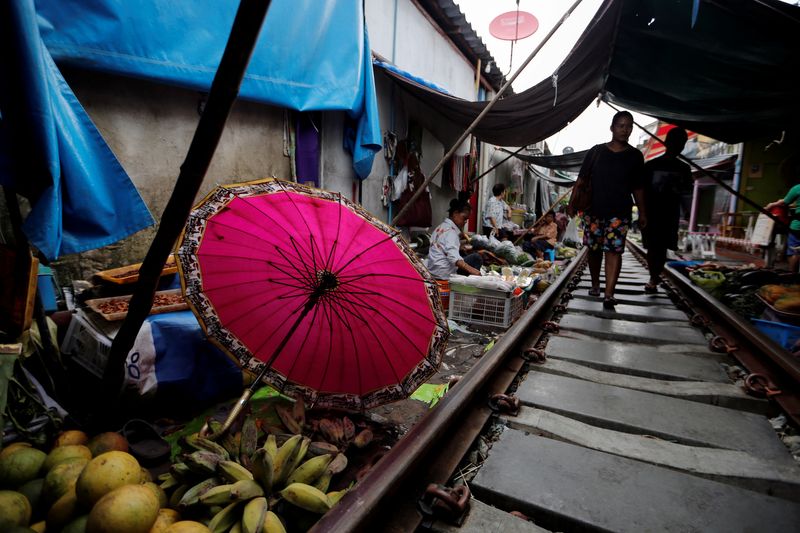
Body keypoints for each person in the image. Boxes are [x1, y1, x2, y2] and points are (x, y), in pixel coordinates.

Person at [580, 110, 647, 309]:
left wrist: (643, 212)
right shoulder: (596, 152)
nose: (625, 130)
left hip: (620, 213)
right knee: (593, 250)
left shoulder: (635, 156)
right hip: (594, 210)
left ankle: (609, 294)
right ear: (612, 128)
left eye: (629, 126)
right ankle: (595, 283)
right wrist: (574, 204)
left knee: (614, 251)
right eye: (621, 125)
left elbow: (638, 187)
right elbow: (582, 180)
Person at [642, 127, 692, 293]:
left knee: (661, 248)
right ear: (667, 143)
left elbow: (686, 193)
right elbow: (641, 190)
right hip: (652, 214)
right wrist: (642, 212)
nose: (679, 146)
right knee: (654, 247)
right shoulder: (651, 166)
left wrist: (687, 211)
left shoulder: (684, 169)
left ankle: (654, 277)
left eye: (682, 143)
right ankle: (653, 277)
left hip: (670, 215)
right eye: (677, 142)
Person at [427, 198, 482, 280]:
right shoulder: (451, 233)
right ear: (455, 213)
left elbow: (443, 247)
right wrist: (473, 271)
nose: (465, 222)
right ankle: (473, 284)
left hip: (434, 270)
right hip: (444, 274)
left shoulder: (440, 227)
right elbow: (454, 258)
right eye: (464, 218)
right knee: (476, 258)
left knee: (463, 253)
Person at [766, 183, 800, 273]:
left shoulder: (797, 188)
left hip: (798, 226)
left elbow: (784, 202)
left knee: (794, 251)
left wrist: (771, 204)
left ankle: (793, 275)